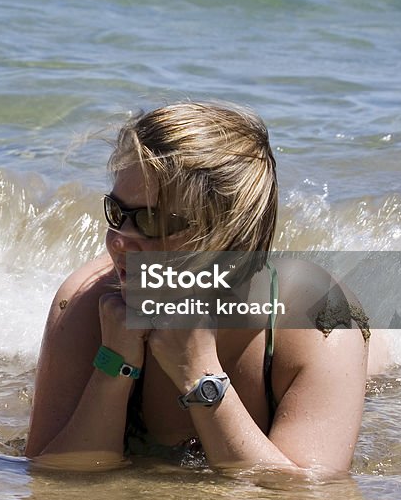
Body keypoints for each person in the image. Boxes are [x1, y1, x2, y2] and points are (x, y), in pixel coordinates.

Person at [26, 102, 370, 476]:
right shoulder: (87, 300)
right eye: (117, 213)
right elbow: (51, 476)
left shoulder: (320, 319)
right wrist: (114, 364)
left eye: (151, 221)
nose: (120, 242)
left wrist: (200, 376)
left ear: (225, 234)